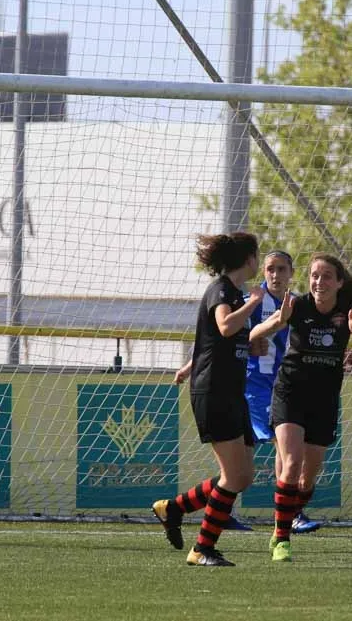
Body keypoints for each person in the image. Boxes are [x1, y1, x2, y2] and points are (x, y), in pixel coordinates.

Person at [250, 252, 352, 562]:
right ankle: (282, 538)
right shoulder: (297, 306)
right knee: (291, 463)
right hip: (290, 392)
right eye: (314, 275)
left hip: (323, 399)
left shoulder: (349, 311)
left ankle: (288, 514)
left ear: (339, 282)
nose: (319, 281)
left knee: (306, 480)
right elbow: (255, 332)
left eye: (326, 276)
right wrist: (276, 324)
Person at [152, 231, 262, 567]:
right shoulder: (222, 290)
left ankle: (172, 508)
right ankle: (202, 549)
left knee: (242, 476)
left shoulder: (236, 294)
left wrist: (258, 339)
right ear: (249, 259)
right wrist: (255, 302)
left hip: (231, 391)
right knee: (234, 476)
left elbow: (218, 341)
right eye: (257, 255)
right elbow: (225, 326)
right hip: (214, 391)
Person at [244, 250, 322, 534]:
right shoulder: (252, 302)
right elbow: (229, 335)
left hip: (286, 386)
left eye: (281, 269)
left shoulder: (299, 304)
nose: (275, 275)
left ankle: (192, 507)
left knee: (241, 459)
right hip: (256, 387)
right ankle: (291, 514)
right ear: (263, 272)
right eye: (270, 269)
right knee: (285, 446)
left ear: (291, 273)